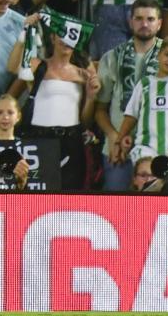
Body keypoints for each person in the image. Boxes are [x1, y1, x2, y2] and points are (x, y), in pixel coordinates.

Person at [96, 2, 168, 189]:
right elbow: (100, 110)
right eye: (138, 18)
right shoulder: (112, 57)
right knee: (117, 209)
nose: (144, 24)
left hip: (161, 152)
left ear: (160, 24)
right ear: (130, 22)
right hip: (119, 151)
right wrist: (115, 138)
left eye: (150, 19)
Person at [8, 13, 101, 189]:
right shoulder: (38, 65)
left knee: (69, 192)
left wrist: (90, 98)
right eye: (62, 34)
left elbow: (86, 121)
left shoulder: (83, 74)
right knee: (35, 192)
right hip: (38, 137)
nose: (66, 40)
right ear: (52, 37)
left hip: (71, 139)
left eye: (71, 35)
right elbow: (12, 66)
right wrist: (25, 31)